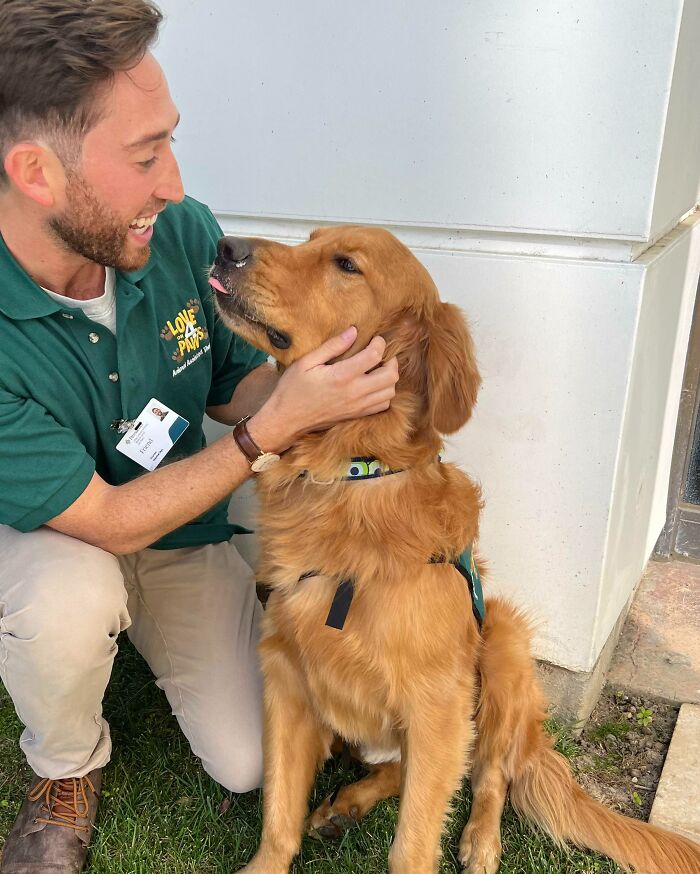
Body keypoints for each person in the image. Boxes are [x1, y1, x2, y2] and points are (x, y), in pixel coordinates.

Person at [0, 1, 399, 871]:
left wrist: (324, 393)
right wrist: (270, 432)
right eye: (145, 156)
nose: (174, 183)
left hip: (180, 526)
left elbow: (233, 387)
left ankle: (170, 627)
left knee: (252, 761)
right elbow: (108, 520)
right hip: (54, 533)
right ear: (35, 171)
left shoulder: (176, 233)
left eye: (170, 141)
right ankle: (66, 766)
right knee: (69, 600)